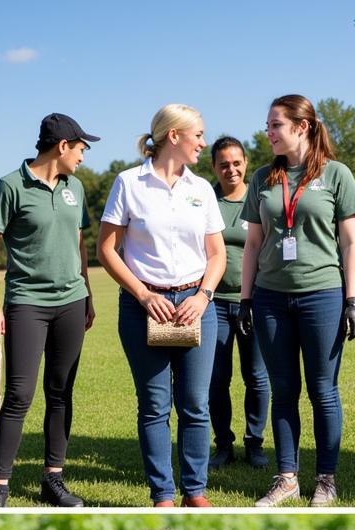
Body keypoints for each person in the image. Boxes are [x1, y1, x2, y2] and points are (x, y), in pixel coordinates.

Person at [238, 95, 355, 507]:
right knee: (284, 389)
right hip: (271, 298)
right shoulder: (263, 178)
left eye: (275, 124)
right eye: (268, 124)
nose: (268, 132)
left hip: (323, 295)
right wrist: (245, 299)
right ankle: (287, 477)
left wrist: (351, 299)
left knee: (323, 390)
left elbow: (350, 241)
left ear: (302, 126)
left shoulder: (337, 175)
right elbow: (253, 243)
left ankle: (325, 479)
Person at [98, 105, 226, 508]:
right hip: (144, 308)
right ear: (174, 136)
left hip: (196, 305)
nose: (204, 143)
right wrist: (144, 295)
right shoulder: (128, 183)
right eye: (199, 135)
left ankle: (195, 491)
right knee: (154, 405)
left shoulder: (201, 189)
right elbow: (106, 249)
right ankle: (163, 495)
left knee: (195, 404)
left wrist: (202, 297)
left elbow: (217, 254)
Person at [0, 113, 98, 509]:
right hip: (27, 303)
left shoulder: (75, 188)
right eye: (81, 148)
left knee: (60, 392)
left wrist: (89, 294)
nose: (83, 156)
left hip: (72, 302)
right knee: (19, 395)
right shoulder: (9, 186)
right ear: (63, 146)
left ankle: (54, 479)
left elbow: (80, 243)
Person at [207, 137, 270, 470]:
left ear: (245, 162)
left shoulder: (260, 196)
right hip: (214, 303)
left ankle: (254, 443)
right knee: (217, 378)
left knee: (257, 377)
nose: (230, 169)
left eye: (236, 162)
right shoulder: (207, 200)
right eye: (223, 164)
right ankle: (223, 445)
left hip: (256, 301)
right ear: (214, 167)